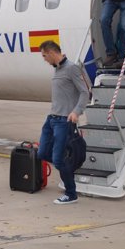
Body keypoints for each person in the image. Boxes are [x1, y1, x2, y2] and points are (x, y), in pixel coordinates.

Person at [36, 40, 90, 205]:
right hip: (51, 119)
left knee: (58, 159)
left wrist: (76, 111)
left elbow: (85, 92)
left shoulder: (72, 68)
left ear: (52, 53)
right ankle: (67, 167)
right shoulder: (58, 70)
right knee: (42, 153)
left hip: (64, 121)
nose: (44, 59)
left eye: (45, 56)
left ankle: (71, 193)